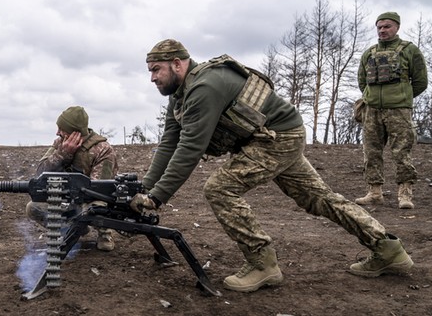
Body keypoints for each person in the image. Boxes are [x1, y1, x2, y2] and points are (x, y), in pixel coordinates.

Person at [130, 39, 413, 293]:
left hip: (278, 139)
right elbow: (170, 140)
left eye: (157, 70)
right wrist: (146, 186)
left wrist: (157, 197)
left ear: (177, 64)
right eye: (151, 71)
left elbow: (190, 148)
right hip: (273, 136)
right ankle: (388, 249)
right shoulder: (182, 92)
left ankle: (262, 264)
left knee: (219, 189)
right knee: (318, 199)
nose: (153, 78)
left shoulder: (204, 88)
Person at [355, 11, 428, 209]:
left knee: (402, 152)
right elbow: (362, 81)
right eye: (379, 27)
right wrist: (372, 98)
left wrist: (401, 96)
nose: (382, 30)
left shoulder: (410, 50)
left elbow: (421, 81)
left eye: (387, 26)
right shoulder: (369, 53)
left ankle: (405, 194)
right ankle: (375, 192)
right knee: (371, 152)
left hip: (399, 110)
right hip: (372, 110)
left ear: (397, 27)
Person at [25, 106, 120, 251]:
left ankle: (104, 234)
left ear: (74, 131)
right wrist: (63, 154)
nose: (57, 132)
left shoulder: (103, 149)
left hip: (92, 201)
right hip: (68, 200)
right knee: (33, 208)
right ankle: (73, 229)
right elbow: (40, 173)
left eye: (61, 128)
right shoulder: (59, 144)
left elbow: (100, 188)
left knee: (98, 207)